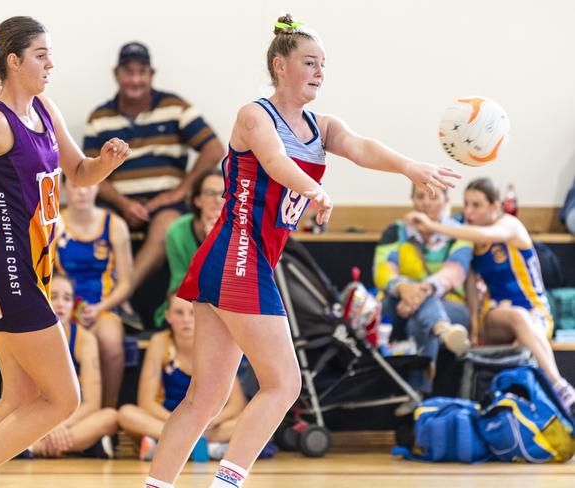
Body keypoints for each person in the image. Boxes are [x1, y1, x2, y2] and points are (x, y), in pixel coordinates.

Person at [143, 15, 460, 488]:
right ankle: (226, 483)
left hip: (236, 262)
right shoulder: (254, 115)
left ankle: (157, 486)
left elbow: (361, 147)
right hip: (237, 255)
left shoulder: (322, 125)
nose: (319, 73)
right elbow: (273, 160)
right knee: (285, 384)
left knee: (206, 396)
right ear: (280, 66)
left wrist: (409, 167)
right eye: (309, 63)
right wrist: (315, 191)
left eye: (323, 65)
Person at [0, 16, 130, 488]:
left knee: (17, 398)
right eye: (41, 55)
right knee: (64, 399)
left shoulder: (45, 108)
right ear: (14, 61)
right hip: (7, 270)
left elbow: (78, 173)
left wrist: (107, 163)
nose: (50, 64)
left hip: (34, 267)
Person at [406, 176, 575, 415]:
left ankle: (539, 414)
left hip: (536, 313)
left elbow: (484, 236)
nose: (469, 211)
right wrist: (475, 327)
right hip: (497, 316)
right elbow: (472, 288)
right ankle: (561, 387)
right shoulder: (470, 239)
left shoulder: (511, 226)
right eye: (466, 204)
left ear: (495, 206)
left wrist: (432, 225)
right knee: (516, 318)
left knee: (524, 342)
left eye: (476, 205)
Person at [83, 41, 226, 310]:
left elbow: (214, 149)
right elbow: (88, 171)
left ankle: (119, 297)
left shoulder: (175, 107)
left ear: (151, 74)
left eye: (142, 72)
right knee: (96, 221)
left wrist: (179, 192)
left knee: (167, 227)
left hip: (166, 204)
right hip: (118, 203)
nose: (135, 79)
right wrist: (124, 204)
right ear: (117, 74)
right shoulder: (99, 117)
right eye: (129, 72)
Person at [119, 292, 246, 460]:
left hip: (207, 423)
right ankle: (205, 447)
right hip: (168, 418)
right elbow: (146, 402)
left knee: (250, 422)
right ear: (168, 316)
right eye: (179, 312)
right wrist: (178, 423)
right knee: (126, 413)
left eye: (192, 312)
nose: (186, 319)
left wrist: (212, 421)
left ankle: (170, 446)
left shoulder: (215, 344)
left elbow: (237, 403)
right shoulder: (160, 342)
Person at [374, 184, 473, 395]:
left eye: (433, 197)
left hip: (451, 305)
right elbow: (382, 271)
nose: (426, 202)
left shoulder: (459, 234)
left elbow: (454, 272)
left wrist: (422, 291)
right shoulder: (397, 232)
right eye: (420, 196)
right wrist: (403, 289)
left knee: (419, 318)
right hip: (396, 304)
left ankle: (417, 394)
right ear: (412, 199)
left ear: (447, 200)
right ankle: (443, 330)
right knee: (423, 307)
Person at [56, 177, 133, 407]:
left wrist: (99, 308)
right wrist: (62, 306)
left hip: (102, 307)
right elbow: (44, 274)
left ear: (98, 187)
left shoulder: (114, 225)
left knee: (111, 344)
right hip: (62, 305)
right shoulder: (53, 223)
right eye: (76, 185)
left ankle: (107, 408)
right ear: (64, 188)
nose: (82, 192)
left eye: (89, 184)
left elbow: (127, 283)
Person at [31, 274, 118, 459]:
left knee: (109, 417)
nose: (61, 304)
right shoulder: (28, 337)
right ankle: (81, 446)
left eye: (67, 298)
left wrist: (60, 426)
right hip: (37, 418)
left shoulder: (85, 340)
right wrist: (48, 426)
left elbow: (92, 404)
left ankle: (34, 449)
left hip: (71, 420)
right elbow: (25, 400)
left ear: (73, 306)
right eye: (53, 297)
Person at [153, 168, 225, 327]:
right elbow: (181, 283)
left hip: (227, 301)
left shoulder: (240, 231)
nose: (218, 200)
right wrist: (208, 246)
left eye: (223, 193)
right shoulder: (177, 231)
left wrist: (217, 243)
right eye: (210, 193)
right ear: (197, 200)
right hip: (188, 301)